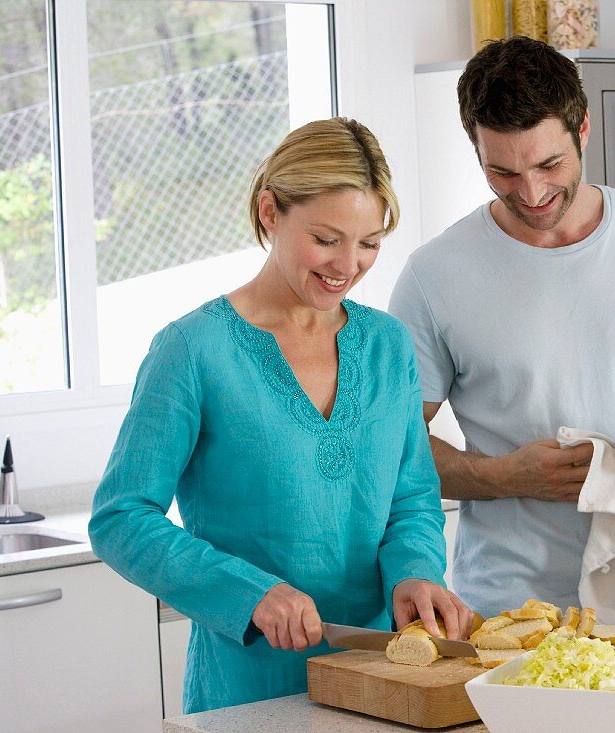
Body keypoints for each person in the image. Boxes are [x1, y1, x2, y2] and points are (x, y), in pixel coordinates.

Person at [89, 117, 472, 714]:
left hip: (385, 680)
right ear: (270, 211)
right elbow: (120, 518)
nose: (348, 264)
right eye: (326, 239)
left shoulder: (388, 345)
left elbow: (410, 499)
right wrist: (250, 593)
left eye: (369, 243)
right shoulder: (192, 350)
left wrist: (416, 574)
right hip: (248, 690)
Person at [388, 37, 615, 618]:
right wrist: (504, 476)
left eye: (549, 164)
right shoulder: (435, 276)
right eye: (502, 171)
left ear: (582, 129)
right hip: (509, 612)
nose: (530, 193)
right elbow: (395, 446)